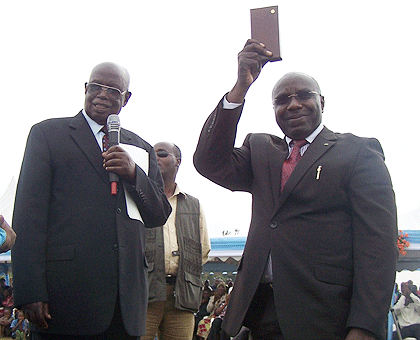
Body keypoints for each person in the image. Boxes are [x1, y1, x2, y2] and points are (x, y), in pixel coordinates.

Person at [193, 39, 398, 340]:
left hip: (324, 315)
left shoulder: (357, 152)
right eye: (282, 99)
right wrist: (240, 87)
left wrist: (365, 325)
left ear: (322, 102)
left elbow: (378, 246)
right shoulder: (261, 150)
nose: (293, 104)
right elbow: (209, 162)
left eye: (304, 96)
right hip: (256, 312)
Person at [11, 62, 171, 339]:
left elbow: (158, 215)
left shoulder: (141, 149)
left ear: (126, 98)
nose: (102, 95)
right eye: (95, 87)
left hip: (125, 304)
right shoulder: (48, 136)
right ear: (85, 89)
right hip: (65, 299)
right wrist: (30, 291)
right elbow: (28, 216)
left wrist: (134, 174)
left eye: (112, 90)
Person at [142, 142, 211, 340]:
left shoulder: (193, 204)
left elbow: (203, 251)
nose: (155, 158)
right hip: (145, 295)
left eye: (162, 154)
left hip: (182, 298)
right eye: (152, 155)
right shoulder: (139, 197)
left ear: (178, 161)